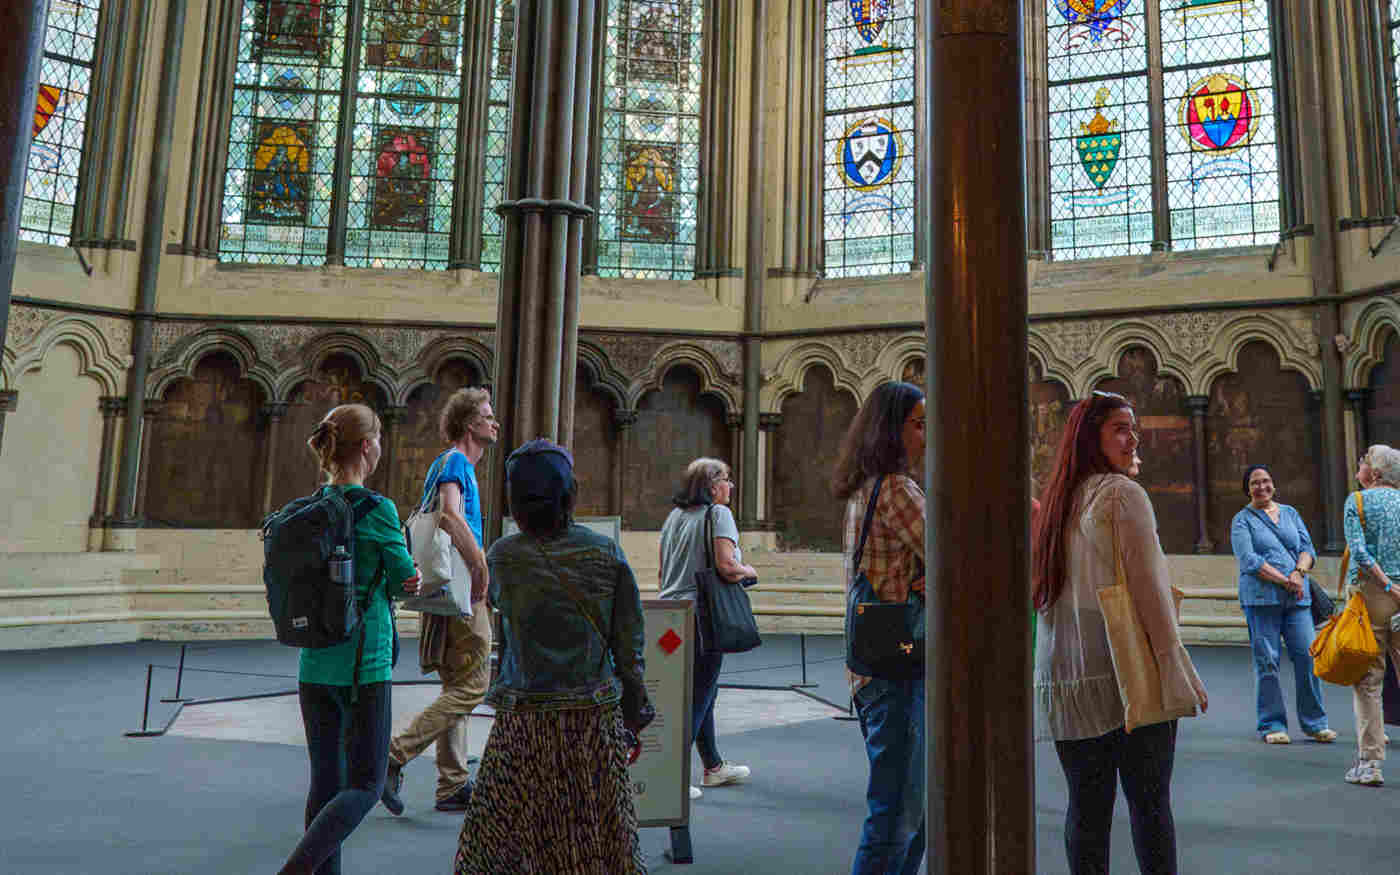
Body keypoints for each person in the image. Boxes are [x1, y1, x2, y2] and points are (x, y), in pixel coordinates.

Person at [1033, 390, 1207, 875]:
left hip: (1067, 676)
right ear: (1093, 437)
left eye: (1135, 428)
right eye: (1121, 429)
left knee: (1085, 813)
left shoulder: (1059, 501)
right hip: (1122, 670)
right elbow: (1150, 593)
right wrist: (1178, 670)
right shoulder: (1121, 494)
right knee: (1150, 810)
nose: (1134, 439)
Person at [454, 439, 648, 874]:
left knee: (505, 838)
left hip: (524, 722)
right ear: (569, 492)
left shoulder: (504, 556)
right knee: (594, 839)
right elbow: (628, 646)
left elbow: (504, 611)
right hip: (591, 723)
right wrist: (635, 707)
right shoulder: (605, 553)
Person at [279, 404, 421, 875]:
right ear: (366, 446)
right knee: (364, 783)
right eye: (377, 438)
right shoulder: (378, 509)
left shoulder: (311, 507)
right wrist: (413, 576)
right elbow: (404, 579)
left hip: (314, 664)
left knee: (325, 786)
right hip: (365, 665)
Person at [381, 387, 497, 815]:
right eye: (487, 415)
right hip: (463, 588)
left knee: (457, 684)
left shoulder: (452, 464)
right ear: (470, 424)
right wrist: (480, 563)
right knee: (474, 686)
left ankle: (451, 785)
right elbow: (448, 515)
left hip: (448, 590)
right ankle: (394, 754)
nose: (494, 422)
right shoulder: (455, 462)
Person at [831, 380, 927, 875]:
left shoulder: (866, 488)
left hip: (873, 664)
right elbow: (961, 560)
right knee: (896, 817)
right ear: (891, 430)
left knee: (907, 813)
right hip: (898, 667)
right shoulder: (896, 490)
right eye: (917, 424)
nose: (925, 436)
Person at [658, 457, 757, 800]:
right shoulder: (719, 515)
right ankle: (670, 776)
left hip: (669, 616)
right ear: (713, 486)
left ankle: (712, 766)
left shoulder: (674, 518)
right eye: (727, 480)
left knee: (703, 691)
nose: (731, 486)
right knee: (697, 696)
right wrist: (749, 570)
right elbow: (727, 567)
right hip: (702, 617)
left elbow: (663, 572)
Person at [1229, 464, 1335, 744]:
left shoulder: (1290, 513)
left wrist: (1298, 574)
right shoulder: (1242, 520)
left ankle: (1315, 723)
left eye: (1265, 481)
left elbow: (1307, 549)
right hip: (1261, 600)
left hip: (1297, 599)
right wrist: (1284, 580)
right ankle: (1272, 724)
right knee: (1268, 662)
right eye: (1254, 483)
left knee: (1308, 657)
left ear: (1273, 485)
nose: (1261, 487)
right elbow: (1250, 560)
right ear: (1247, 489)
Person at [1341, 444, 1400, 786]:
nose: (1359, 465)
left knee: (1368, 681)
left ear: (1374, 474)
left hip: (1373, 595)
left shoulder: (1358, 501)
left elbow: (1360, 552)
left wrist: (1387, 585)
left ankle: (1370, 764)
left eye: (1363, 461)